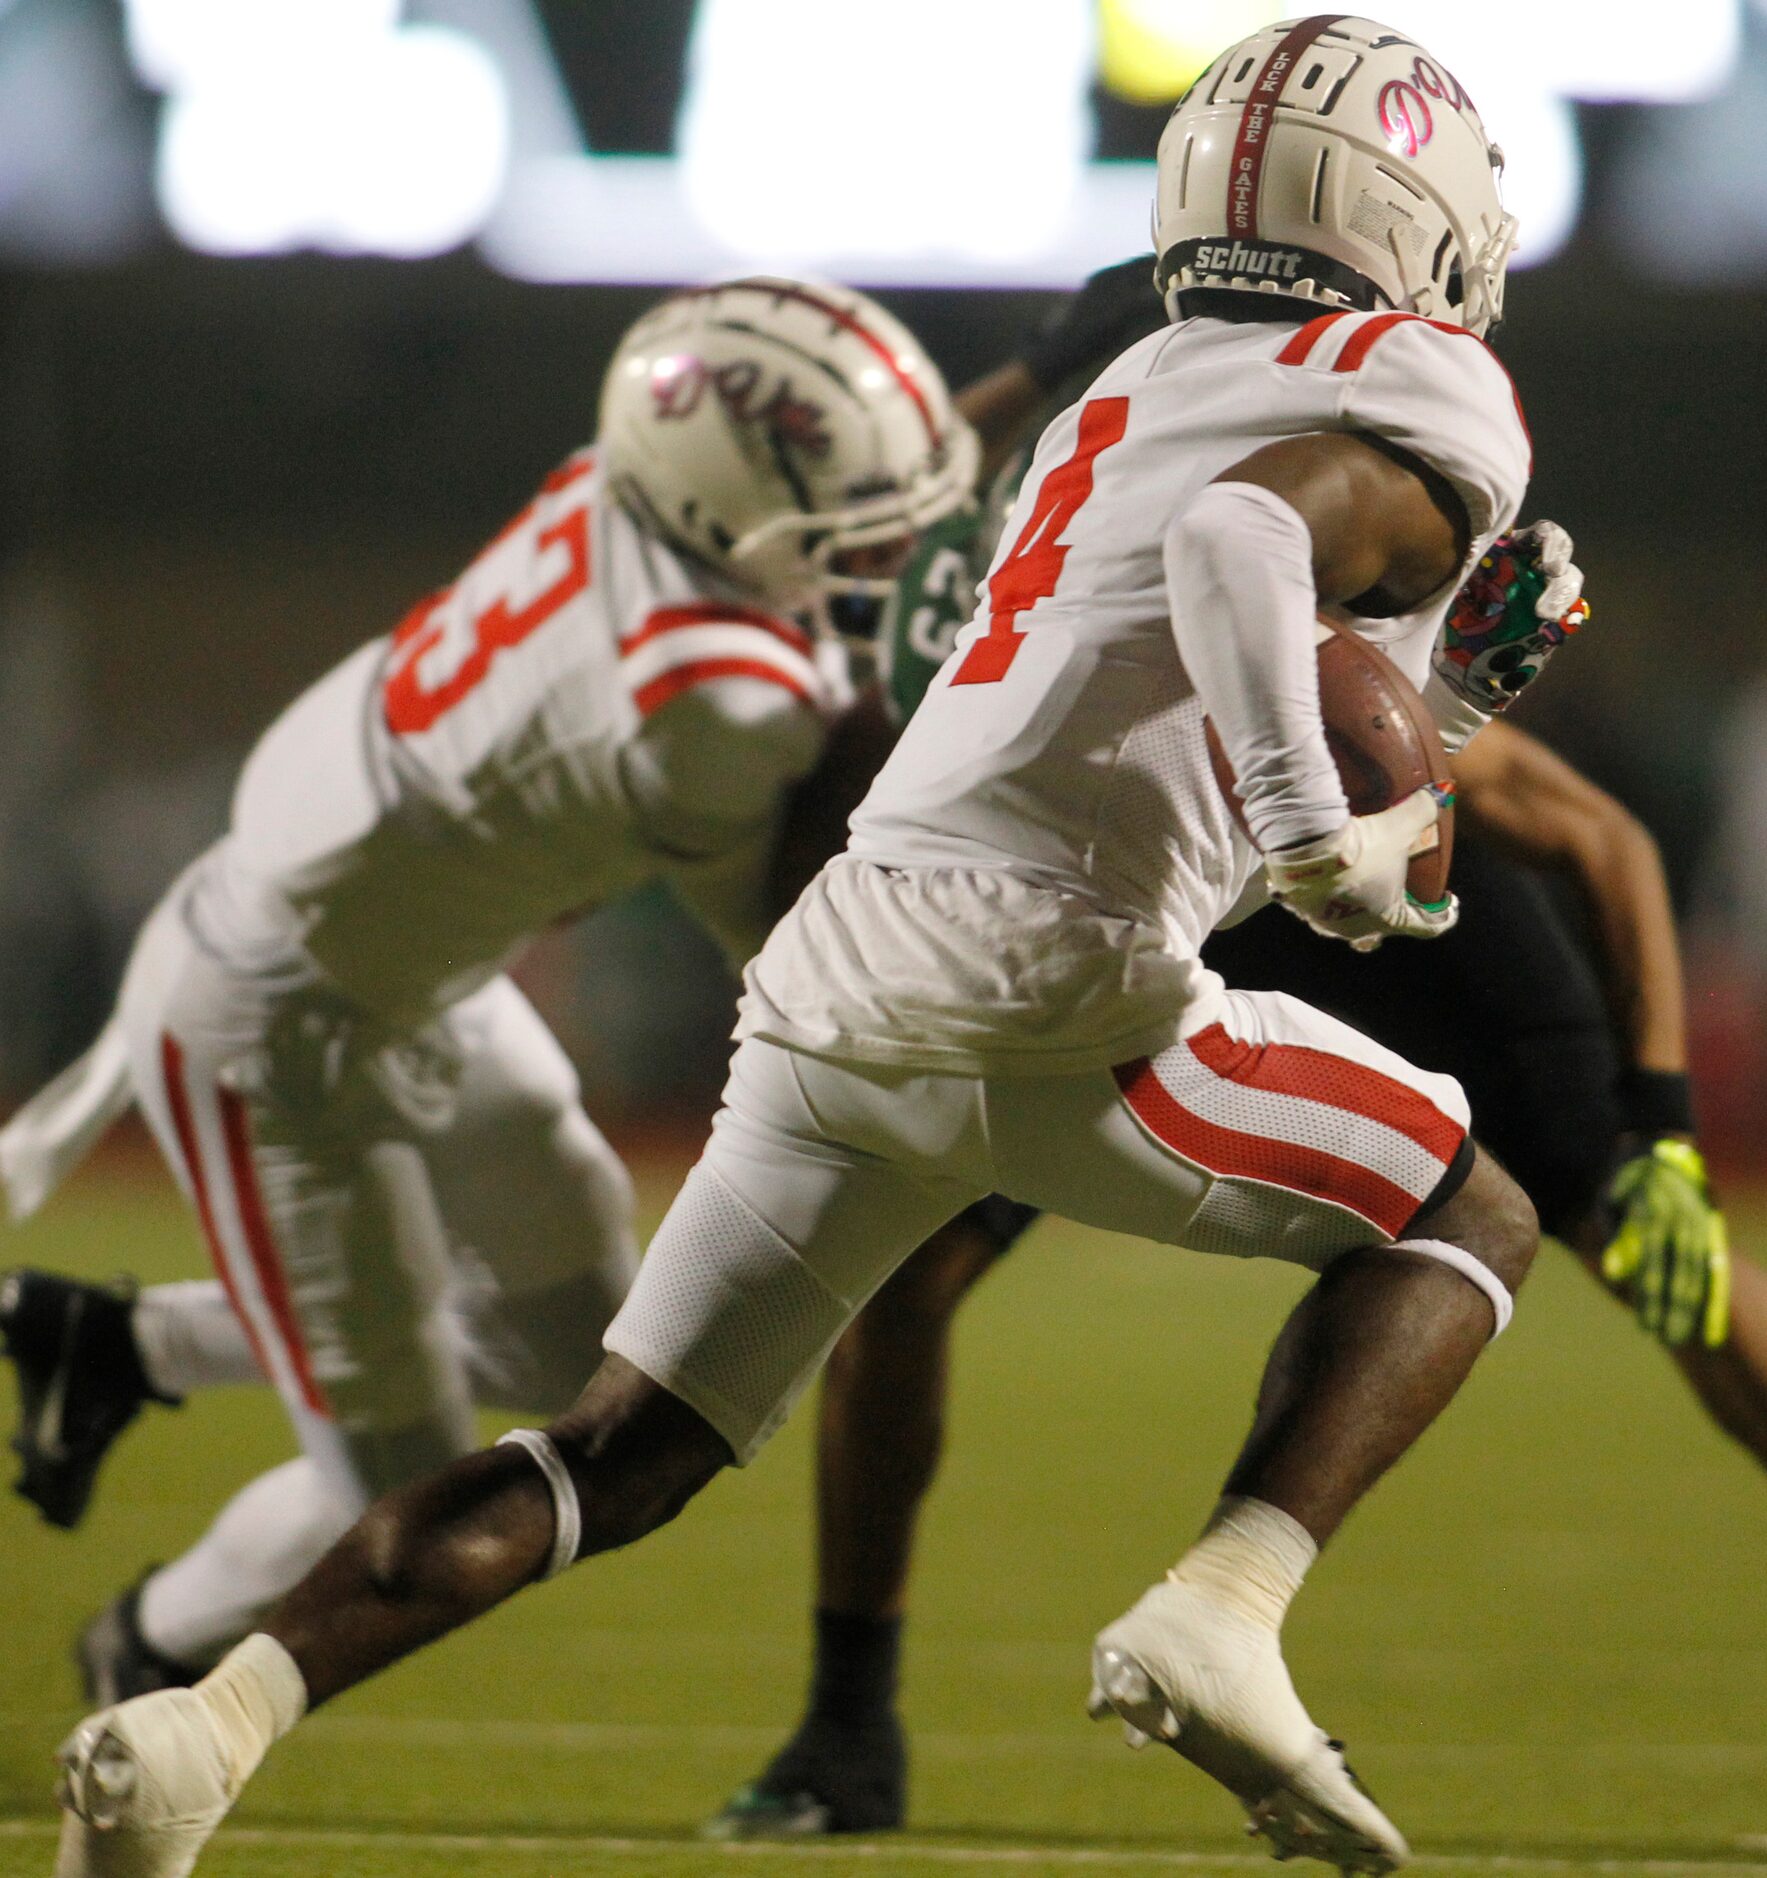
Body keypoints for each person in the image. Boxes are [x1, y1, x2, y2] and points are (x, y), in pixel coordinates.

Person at [54, 17, 1558, 1874]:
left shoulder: (1137, 387)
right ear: (1418, 202)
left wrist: (1448, 697)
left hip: (853, 957)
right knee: (1471, 1214)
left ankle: (203, 1724)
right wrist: (1333, 833)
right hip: (1053, 984)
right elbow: (1253, 546)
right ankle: (1225, 1603)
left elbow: (1175, 760)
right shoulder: (1420, 379)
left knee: (617, 1450)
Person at [706, 267, 1757, 1837]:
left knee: (1656, 1264)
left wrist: (1660, 1130)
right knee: (901, 1275)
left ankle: (1068, 1646)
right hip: (1140, 888)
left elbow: (1589, 836)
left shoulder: (1327, 584)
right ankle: (847, 1725)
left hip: (1380, 878)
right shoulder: (1072, 508)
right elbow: (966, 430)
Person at [0, 275, 977, 1706]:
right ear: (726, 509)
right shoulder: (709, 701)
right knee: (389, 1504)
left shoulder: (622, 492)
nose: (891, 541)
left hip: (414, 968)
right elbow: (792, 954)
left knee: (586, 1357)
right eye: (859, 513)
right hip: (269, 1021)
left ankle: (120, 1340)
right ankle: (145, 1646)